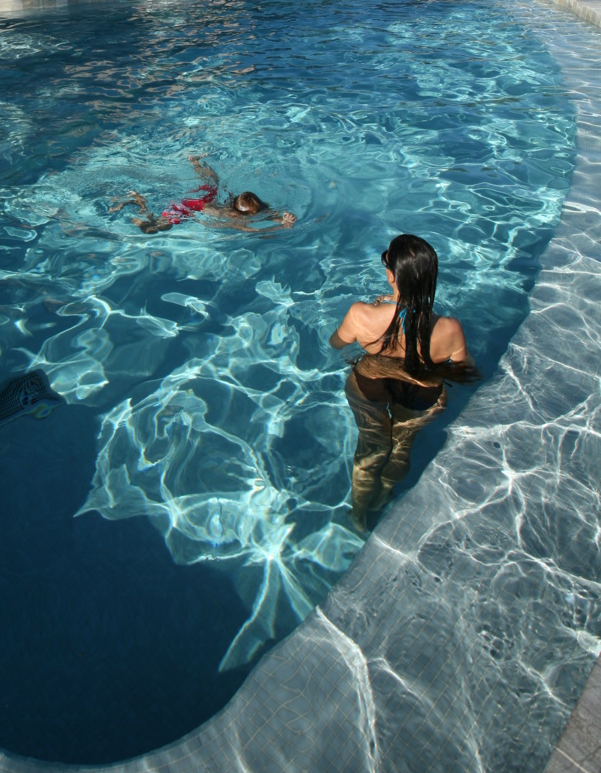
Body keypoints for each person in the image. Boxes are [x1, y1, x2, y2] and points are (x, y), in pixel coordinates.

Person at [329, 233, 475, 533]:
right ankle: (381, 497)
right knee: (401, 447)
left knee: (371, 449)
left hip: (370, 384)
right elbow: (465, 370)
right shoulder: (448, 328)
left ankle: (358, 517)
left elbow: (336, 344)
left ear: (391, 276)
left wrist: (378, 309)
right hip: (423, 394)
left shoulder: (361, 314)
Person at [113, 155, 296, 235]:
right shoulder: (232, 216)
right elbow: (253, 231)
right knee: (154, 228)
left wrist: (282, 219)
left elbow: (263, 216)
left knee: (213, 184)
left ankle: (196, 163)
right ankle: (138, 201)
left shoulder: (237, 207)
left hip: (204, 202)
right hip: (185, 207)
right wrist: (282, 226)